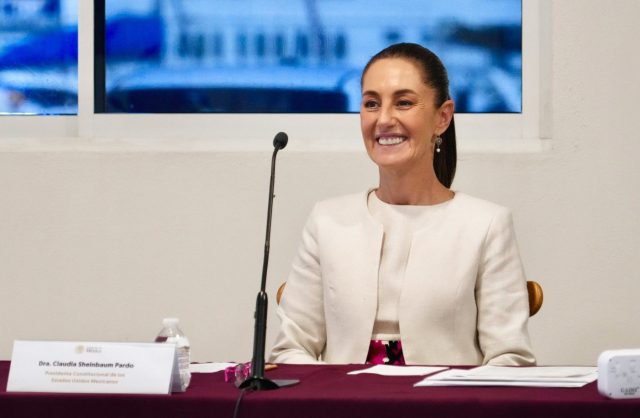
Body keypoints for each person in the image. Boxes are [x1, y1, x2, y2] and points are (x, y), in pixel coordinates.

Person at [269, 43, 535, 366]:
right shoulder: (327, 221)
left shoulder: (486, 224)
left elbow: (510, 358)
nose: (383, 119)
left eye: (404, 103)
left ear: (443, 117)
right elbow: (290, 350)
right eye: (371, 103)